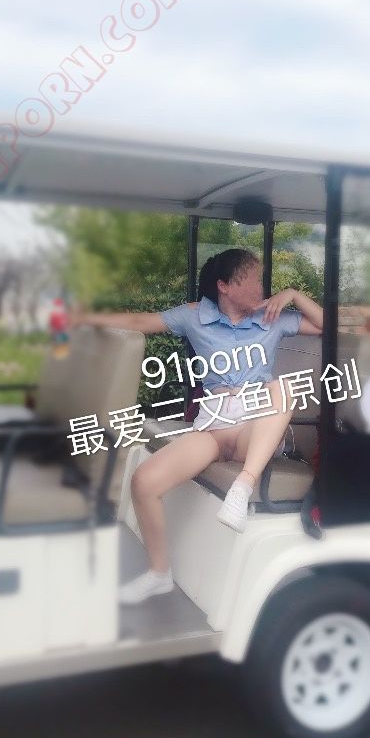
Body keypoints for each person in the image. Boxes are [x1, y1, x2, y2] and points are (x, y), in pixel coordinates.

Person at [68, 248, 323, 604]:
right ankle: (159, 574)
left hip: (256, 426)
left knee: (283, 387)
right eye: (253, 279)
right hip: (214, 424)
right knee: (144, 482)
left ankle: (243, 486)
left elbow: (327, 326)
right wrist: (83, 318)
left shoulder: (273, 316)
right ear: (224, 286)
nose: (262, 287)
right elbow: (141, 322)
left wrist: (293, 294)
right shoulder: (195, 316)